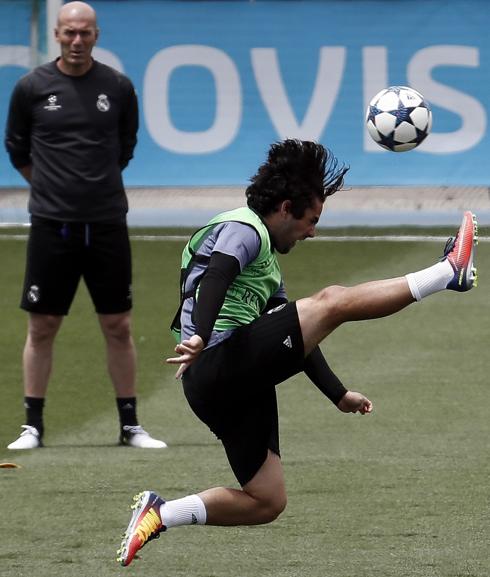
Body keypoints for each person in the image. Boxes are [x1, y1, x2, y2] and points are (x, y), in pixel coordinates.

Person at [116, 139, 478, 566]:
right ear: (285, 208)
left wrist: (337, 394)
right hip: (217, 361)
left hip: (225, 384)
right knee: (333, 301)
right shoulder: (244, 227)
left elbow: (297, 338)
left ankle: (160, 513)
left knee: (266, 500)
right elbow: (216, 275)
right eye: (311, 220)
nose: (312, 231)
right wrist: (200, 336)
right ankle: (446, 273)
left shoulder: (267, 264)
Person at [4, 1, 166, 450]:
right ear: (57, 34)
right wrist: (55, 189)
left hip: (107, 223)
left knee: (118, 324)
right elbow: (17, 149)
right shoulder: (31, 87)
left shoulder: (117, 87)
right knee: (42, 326)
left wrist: (92, 187)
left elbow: (125, 147)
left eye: (85, 33)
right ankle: (32, 425)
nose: (77, 41)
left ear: (96, 35)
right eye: (69, 32)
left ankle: (130, 424)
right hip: (51, 225)